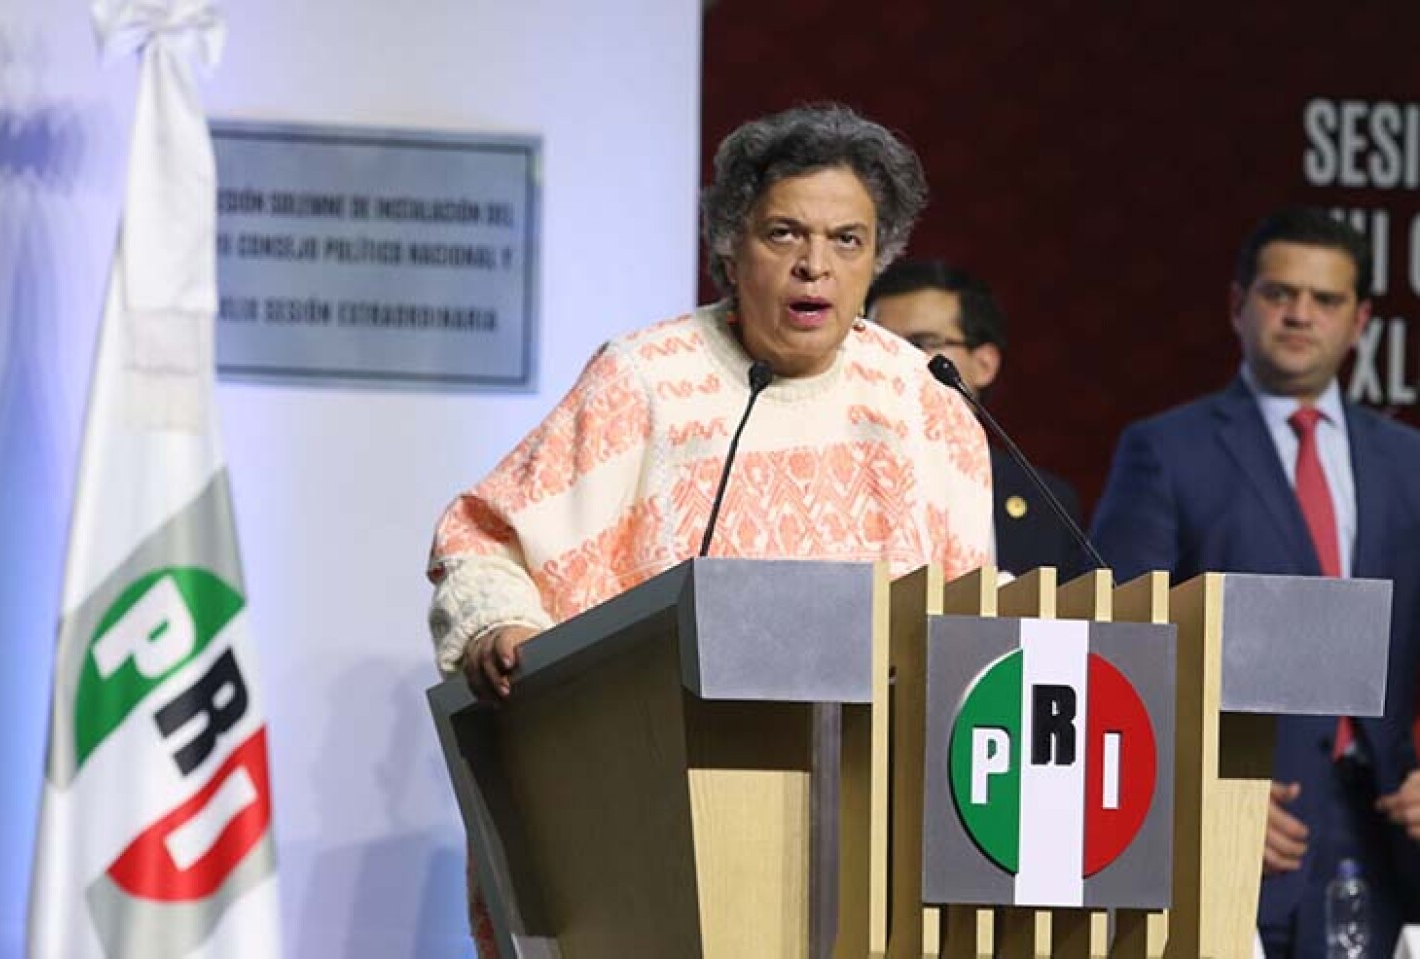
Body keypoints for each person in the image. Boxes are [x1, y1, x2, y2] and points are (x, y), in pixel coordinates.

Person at [426, 104, 993, 958]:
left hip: (879, 839)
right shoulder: (645, 380)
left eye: (848, 241)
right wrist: (500, 626)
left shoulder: (924, 402)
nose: (815, 267)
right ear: (730, 246)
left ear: (879, 258)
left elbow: (972, 630)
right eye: (784, 234)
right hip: (660, 828)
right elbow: (481, 540)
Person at [1089, 207, 1420, 957]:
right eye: (1279, 293)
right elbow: (1112, 647)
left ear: (1361, 318)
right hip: (1234, 824)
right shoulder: (1165, 451)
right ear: (1238, 304)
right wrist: (1191, 789)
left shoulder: (1409, 462)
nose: (1301, 313)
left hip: (1385, 835)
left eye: (1326, 299)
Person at [866, 257, 1087, 582]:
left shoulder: (1047, 502)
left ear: (984, 364)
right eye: (878, 343)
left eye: (920, 344)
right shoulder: (836, 480)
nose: (894, 361)